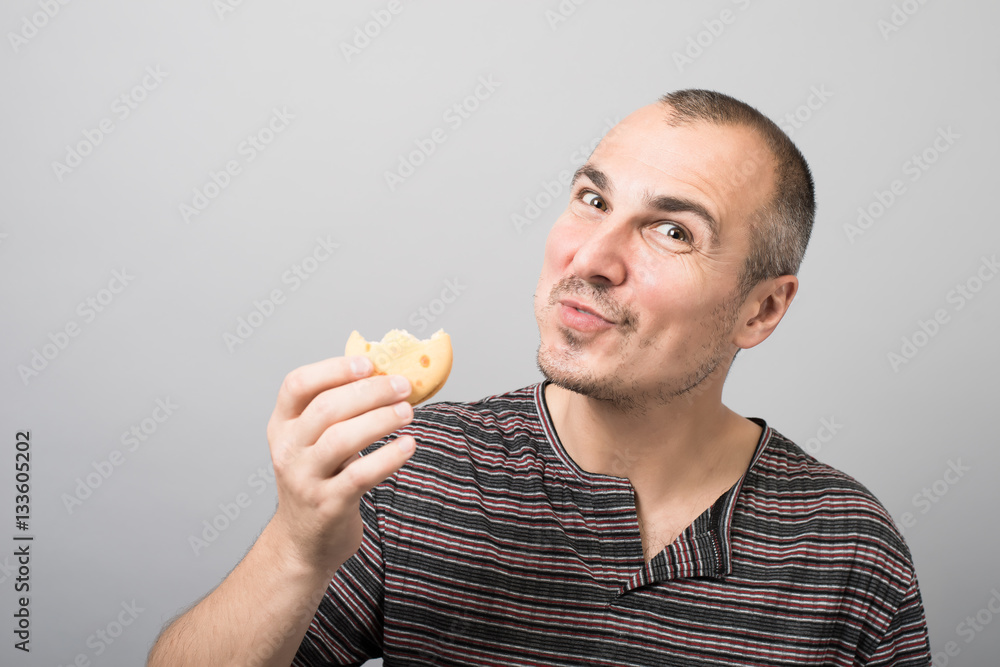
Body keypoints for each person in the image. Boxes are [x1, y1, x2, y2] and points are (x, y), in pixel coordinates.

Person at [147, 89, 932, 666]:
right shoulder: (411, 469)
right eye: (592, 199)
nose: (591, 257)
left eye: (671, 230)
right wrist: (294, 545)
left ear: (760, 309)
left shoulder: (849, 548)